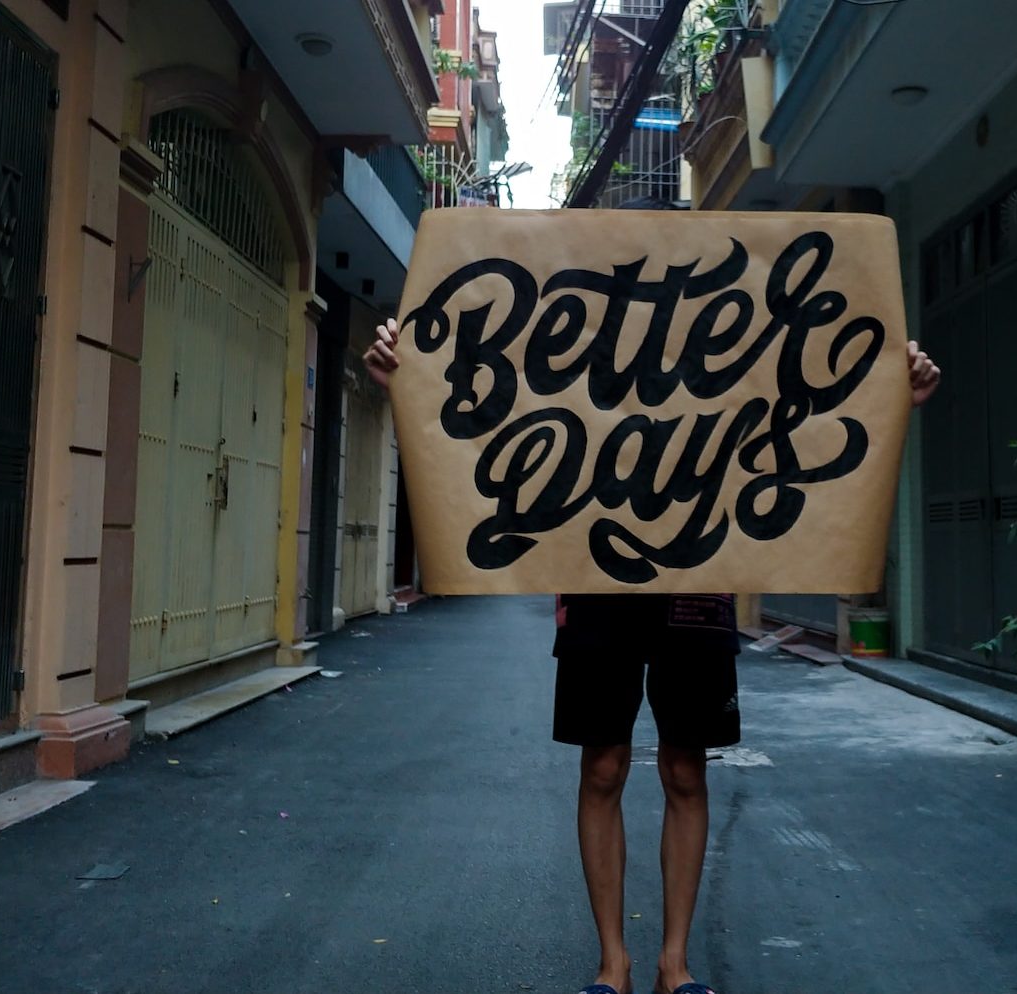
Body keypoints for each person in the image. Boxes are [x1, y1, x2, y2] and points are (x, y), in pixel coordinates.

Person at [362, 202, 942, 994]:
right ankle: (614, 964)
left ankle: (675, 963)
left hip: (696, 577)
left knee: (685, 769)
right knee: (602, 766)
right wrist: (408, 374)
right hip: (594, 573)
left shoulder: (719, 348)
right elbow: (496, 397)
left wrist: (891, 388)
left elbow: (799, 397)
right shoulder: (583, 347)